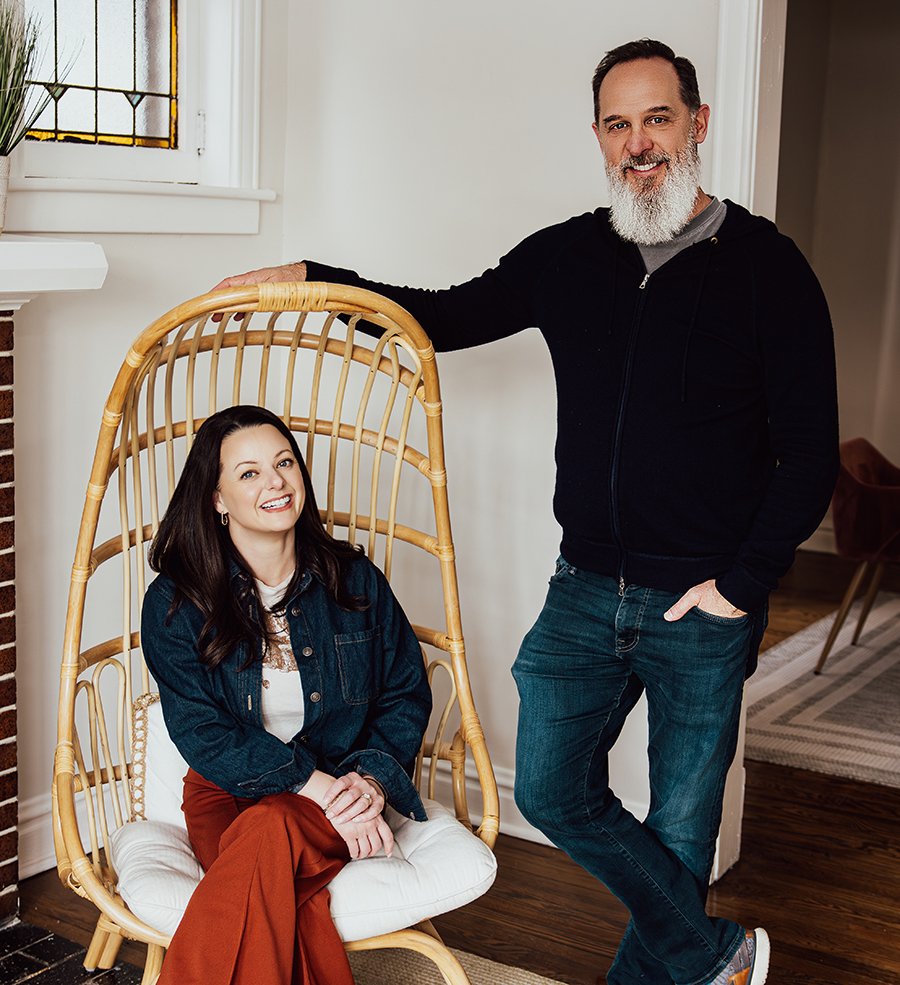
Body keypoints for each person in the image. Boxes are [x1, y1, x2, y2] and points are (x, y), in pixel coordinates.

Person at [210, 39, 839, 985]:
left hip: (702, 606)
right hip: (583, 590)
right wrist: (314, 278)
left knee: (678, 831)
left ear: (698, 124)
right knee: (549, 786)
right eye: (618, 124)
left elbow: (811, 454)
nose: (639, 144)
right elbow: (442, 316)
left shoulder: (770, 268)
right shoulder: (568, 257)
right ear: (597, 137)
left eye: (658, 118)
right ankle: (720, 956)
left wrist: (741, 585)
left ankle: (687, 964)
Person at [140, 405, 432, 985]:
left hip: (345, 787)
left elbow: (404, 695)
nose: (274, 481)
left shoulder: (355, 581)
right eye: (248, 473)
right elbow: (203, 732)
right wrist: (313, 788)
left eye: (284, 463)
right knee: (278, 862)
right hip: (225, 797)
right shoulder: (176, 602)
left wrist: (367, 784)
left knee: (271, 828)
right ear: (217, 498)